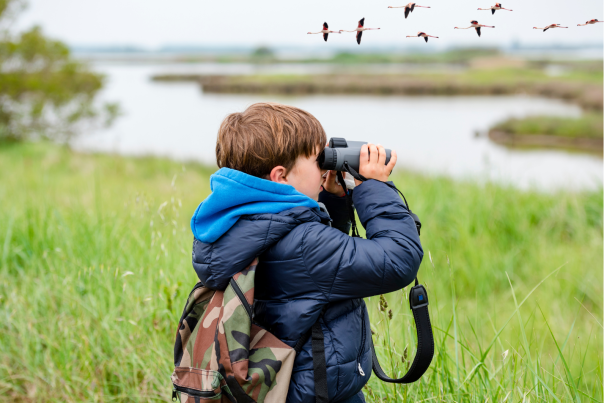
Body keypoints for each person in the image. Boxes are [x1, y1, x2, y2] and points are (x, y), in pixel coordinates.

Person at [190, 102, 423, 403]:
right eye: (318, 161)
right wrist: (374, 188)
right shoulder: (303, 243)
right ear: (280, 176)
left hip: (278, 386)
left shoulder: (236, 224)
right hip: (317, 392)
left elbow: (316, 266)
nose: (326, 167)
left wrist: (332, 200)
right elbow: (398, 260)